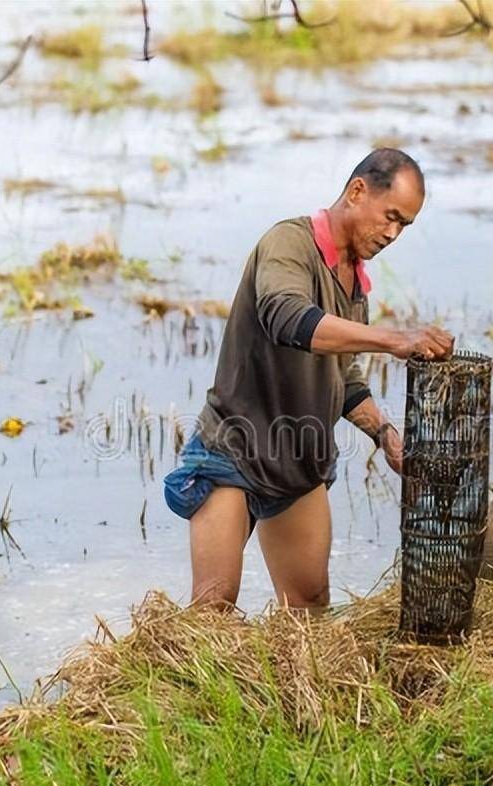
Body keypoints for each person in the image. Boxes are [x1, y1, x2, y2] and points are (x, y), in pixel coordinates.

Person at [163, 148, 454, 610]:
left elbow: (343, 376)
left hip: (298, 459)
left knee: (310, 602)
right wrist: (395, 339)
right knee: (213, 609)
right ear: (358, 191)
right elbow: (289, 318)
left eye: (405, 226)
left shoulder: (356, 282)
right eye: (391, 217)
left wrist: (383, 433)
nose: (393, 234)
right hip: (233, 449)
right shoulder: (288, 243)